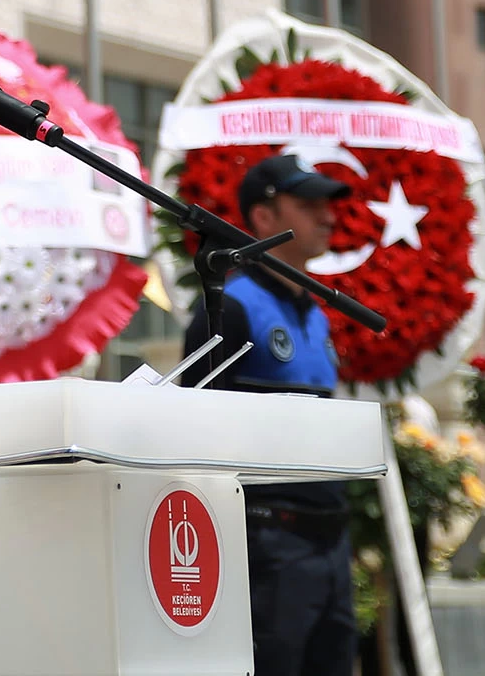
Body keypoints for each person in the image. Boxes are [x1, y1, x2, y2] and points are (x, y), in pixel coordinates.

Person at [181, 153, 354, 676]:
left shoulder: (318, 312)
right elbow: (195, 433)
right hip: (268, 543)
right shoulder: (230, 306)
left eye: (328, 206)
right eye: (308, 205)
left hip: (330, 541)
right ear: (262, 219)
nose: (328, 217)